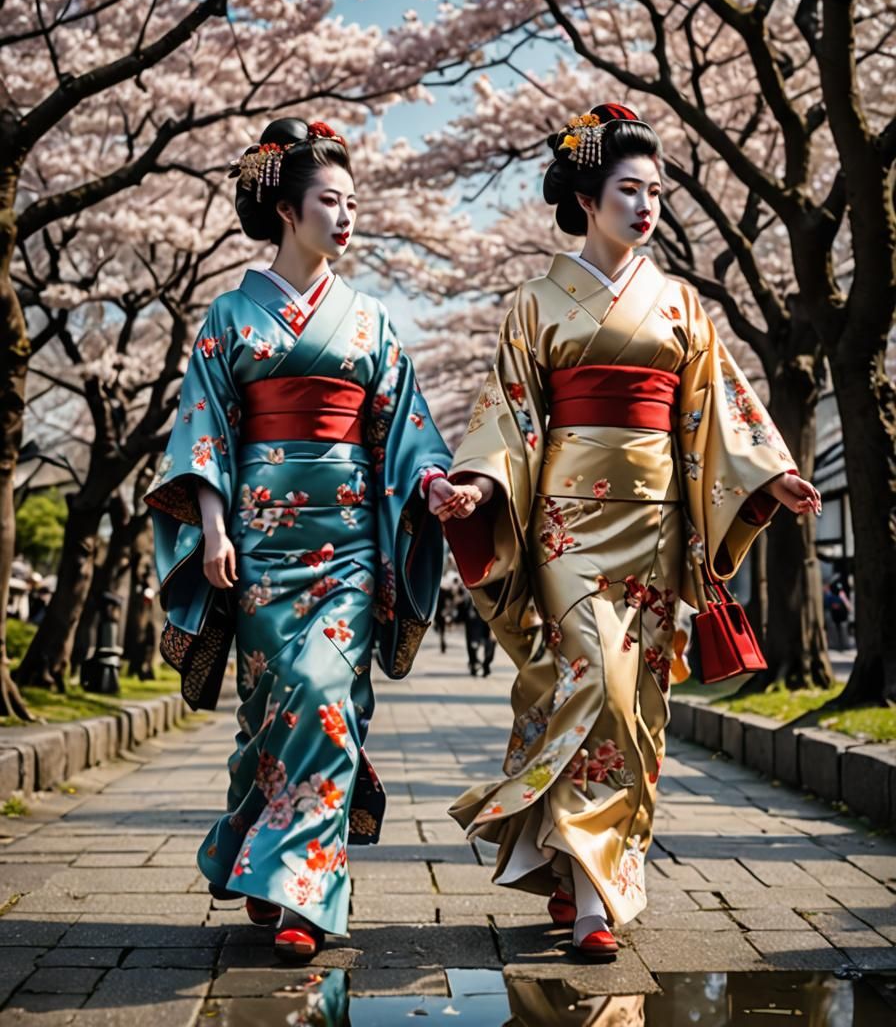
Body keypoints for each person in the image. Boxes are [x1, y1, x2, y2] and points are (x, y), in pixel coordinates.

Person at [442, 103, 821, 959]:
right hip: (567, 531)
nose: (647, 205)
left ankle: (582, 875)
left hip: (653, 528)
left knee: (637, 706)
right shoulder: (535, 304)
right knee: (594, 687)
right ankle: (589, 898)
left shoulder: (681, 302)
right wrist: (475, 486)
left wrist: (767, 472)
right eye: (628, 188)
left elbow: (716, 413)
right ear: (585, 193)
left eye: (656, 191)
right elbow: (510, 419)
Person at [145, 118, 464, 959]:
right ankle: (256, 852)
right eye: (331, 201)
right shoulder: (227, 316)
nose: (348, 217)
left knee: (326, 702)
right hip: (256, 544)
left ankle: (303, 897)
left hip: (351, 546)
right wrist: (212, 524)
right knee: (270, 710)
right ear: (288, 210)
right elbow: (202, 430)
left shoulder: (371, 322)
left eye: (355, 203)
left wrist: (431, 483)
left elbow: (406, 430)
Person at [462, 594, 496, 677]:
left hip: (488, 620)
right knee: (473, 645)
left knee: (490, 646)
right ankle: (474, 663)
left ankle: (485, 665)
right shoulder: (469, 602)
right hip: (474, 623)